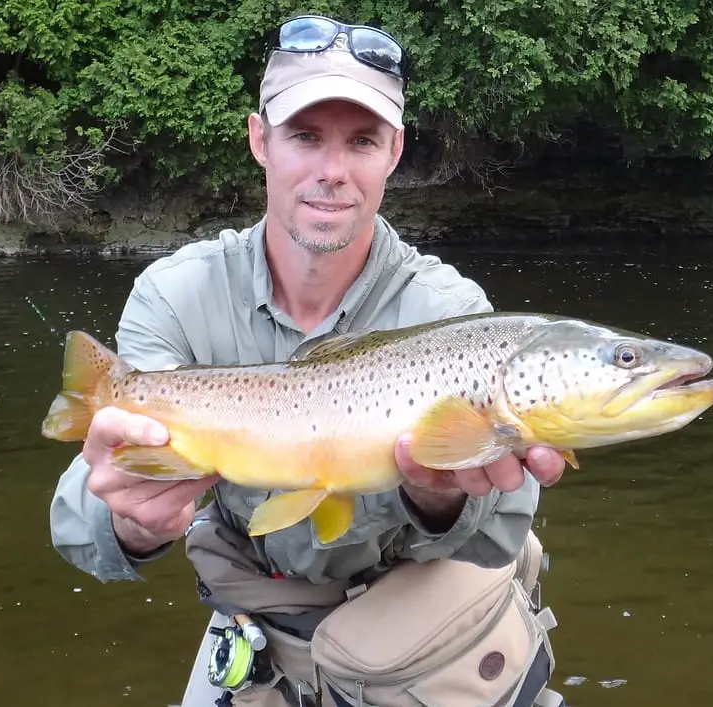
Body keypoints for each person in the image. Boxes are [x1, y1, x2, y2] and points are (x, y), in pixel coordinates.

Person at [48, 13, 568, 707]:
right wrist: (132, 522)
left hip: (417, 641)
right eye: (304, 136)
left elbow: (503, 532)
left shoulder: (450, 311)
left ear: (395, 151)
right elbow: (80, 521)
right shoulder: (175, 295)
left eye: (361, 141)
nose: (332, 172)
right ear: (259, 140)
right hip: (258, 622)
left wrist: (438, 496)